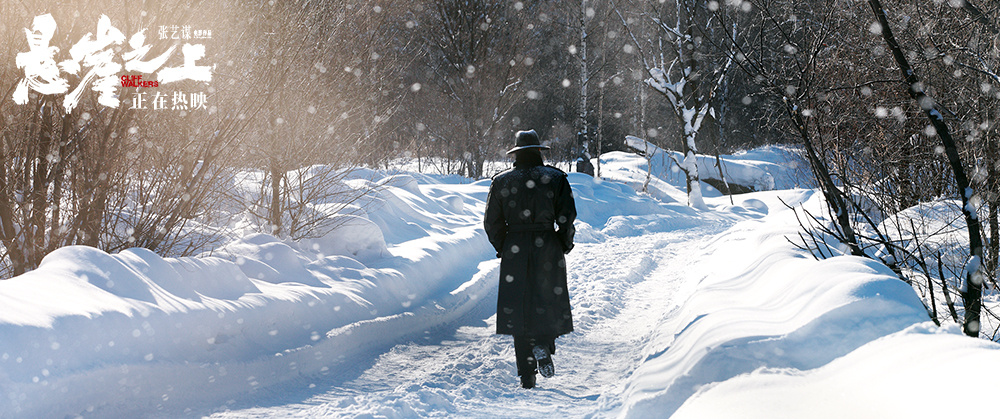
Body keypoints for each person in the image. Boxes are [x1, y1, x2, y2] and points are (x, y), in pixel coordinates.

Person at [483, 129, 577, 389]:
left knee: (519, 308)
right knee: (547, 300)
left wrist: (505, 246)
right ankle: (543, 345)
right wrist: (563, 243)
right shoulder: (556, 178)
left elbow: (491, 222)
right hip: (547, 245)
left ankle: (526, 374)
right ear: (538, 151)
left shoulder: (501, 181)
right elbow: (567, 217)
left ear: (516, 153)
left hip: (515, 247)